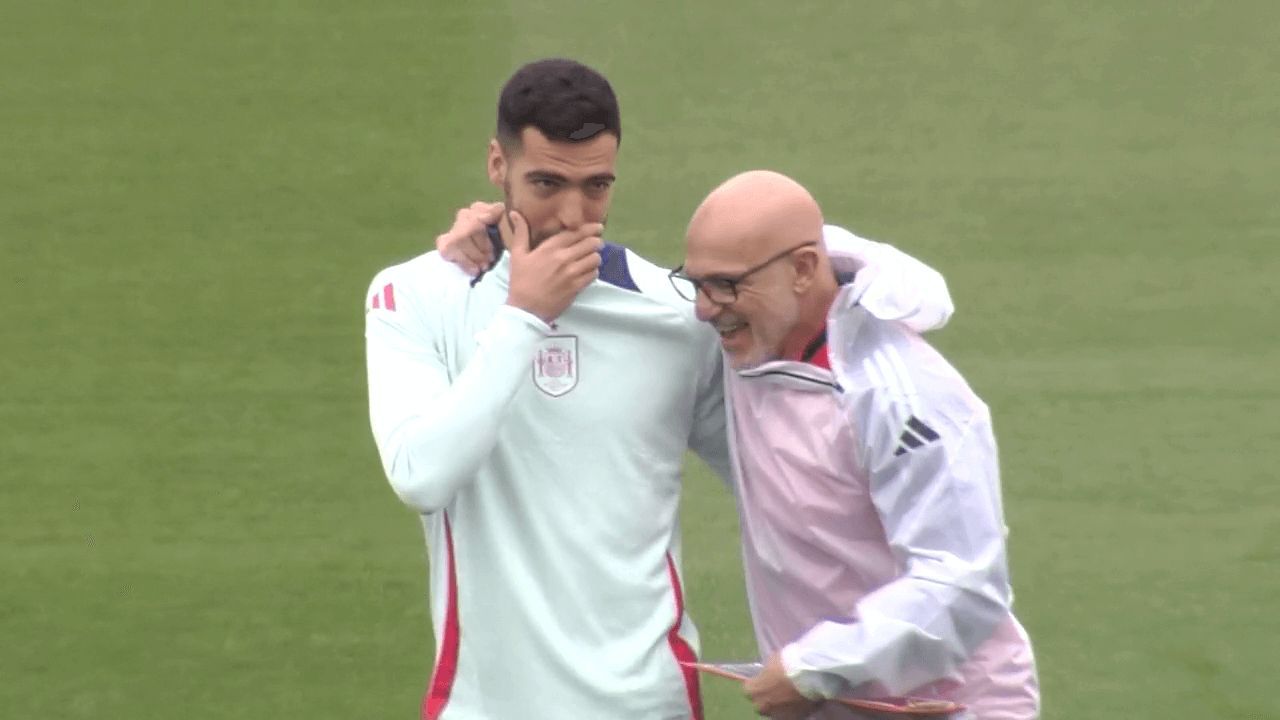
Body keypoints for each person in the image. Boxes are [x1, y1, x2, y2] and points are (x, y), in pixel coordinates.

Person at [366, 58, 953, 720]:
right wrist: (526, 316)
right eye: (546, 183)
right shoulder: (413, 297)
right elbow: (421, 475)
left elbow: (794, 500)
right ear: (497, 167)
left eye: (596, 186)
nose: (571, 214)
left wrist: (864, 669)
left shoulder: (676, 315)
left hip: (650, 706)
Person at [671, 170, 1040, 719]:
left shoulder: (903, 394)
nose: (704, 308)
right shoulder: (753, 329)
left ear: (802, 270)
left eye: (725, 285)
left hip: (950, 707)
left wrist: (812, 667)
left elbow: (964, 583)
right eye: (696, 283)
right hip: (833, 700)